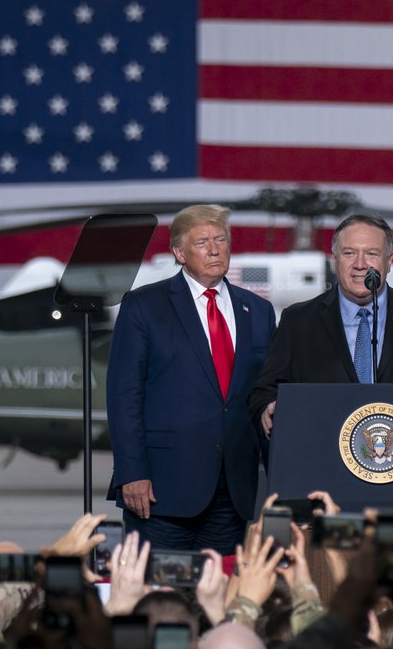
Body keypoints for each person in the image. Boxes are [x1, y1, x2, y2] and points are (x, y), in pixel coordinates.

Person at [106, 204, 276, 553]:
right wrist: (132, 472)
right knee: (158, 600)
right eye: (202, 242)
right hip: (160, 491)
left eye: (221, 240)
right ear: (179, 253)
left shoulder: (257, 310)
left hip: (233, 491)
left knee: (220, 599)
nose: (214, 250)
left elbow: (264, 391)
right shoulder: (144, 306)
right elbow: (124, 397)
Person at [249, 213, 393, 440]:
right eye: (349, 253)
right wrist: (267, 409)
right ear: (335, 260)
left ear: (389, 261)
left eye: (371, 253)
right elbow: (264, 392)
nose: (360, 265)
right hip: (324, 464)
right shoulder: (298, 322)